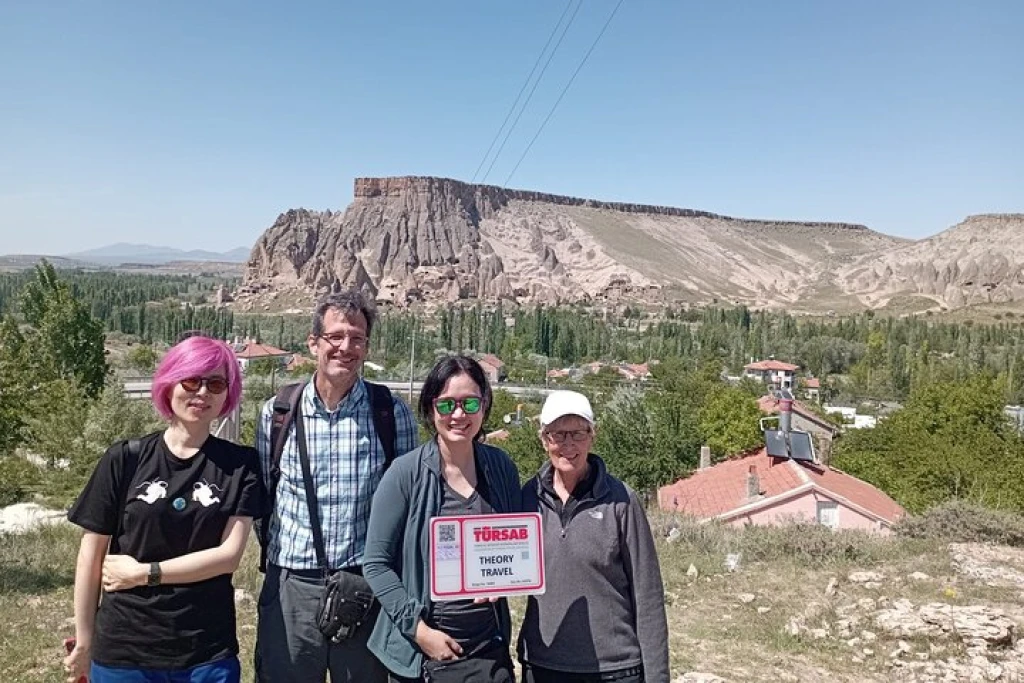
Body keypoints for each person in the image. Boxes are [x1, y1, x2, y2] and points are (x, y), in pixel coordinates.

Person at [64, 335, 264, 683]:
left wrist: (144, 573)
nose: (202, 392)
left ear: (227, 394)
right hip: (125, 651)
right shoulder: (125, 458)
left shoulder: (240, 465)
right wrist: (84, 641)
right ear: (169, 383)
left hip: (206, 652)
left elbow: (228, 556)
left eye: (216, 384)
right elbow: (90, 557)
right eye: (191, 381)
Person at [254, 291, 419, 683]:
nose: (346, 347)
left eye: (357, 338)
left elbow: (408, 508)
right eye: (336, 336)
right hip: (291, 586)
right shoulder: (277, 413)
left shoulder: (390, 413)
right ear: (314, 343)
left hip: (365, 586)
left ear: (367, 346)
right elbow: (265, 495)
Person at [363, 355, 521, 683]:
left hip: (487, 651)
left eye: (470, 403)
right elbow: (376, 564)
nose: (459, 415)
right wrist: (419, 631)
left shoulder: (501, 468)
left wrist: (503, 579)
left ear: (484, 405)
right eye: (447, 405)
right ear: (430, 408)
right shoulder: (404, 474)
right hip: (421, 657)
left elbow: (515, 544)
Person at [517, 390, 669, 683]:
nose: (568, 444)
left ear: (592, 436)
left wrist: (657, 676)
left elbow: (648, 594)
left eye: (578, 433)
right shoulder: (527, 498)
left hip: (614, 668)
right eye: (558, 434)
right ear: (544, 440)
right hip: (543, 664)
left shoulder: (622, 500)